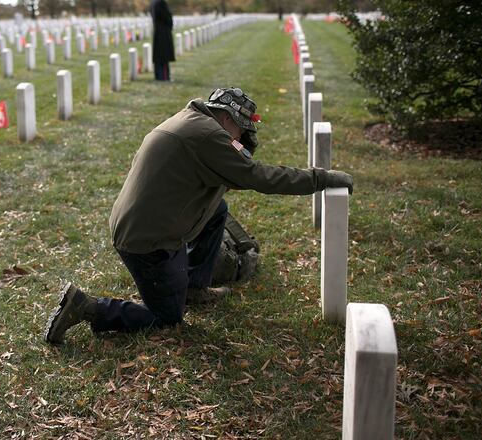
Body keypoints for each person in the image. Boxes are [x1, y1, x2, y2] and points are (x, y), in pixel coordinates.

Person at [45, 87, 354, 344]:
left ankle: (194, 286)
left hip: (141, 222)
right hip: (149, 242)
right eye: (240, 132)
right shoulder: (209, 137)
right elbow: (260, 177)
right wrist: (320, 178)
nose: (240, 141)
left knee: (218, 210)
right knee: (166, 318)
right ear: (225, 118)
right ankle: (87, 307)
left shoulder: (191, 119)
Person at [150, 0, 175, 81]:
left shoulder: (154, 2)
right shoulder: (161, 2)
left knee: (159, 56)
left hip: (157, 31)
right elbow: (167, 17)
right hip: (163, 32)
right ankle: (164, 77)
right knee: (163, 57)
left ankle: (159, 76)